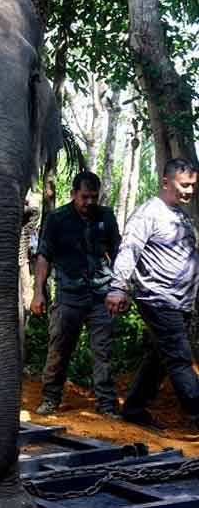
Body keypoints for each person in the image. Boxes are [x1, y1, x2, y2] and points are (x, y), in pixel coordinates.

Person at [106, 158, 199, 431]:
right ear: (165, 182)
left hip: (181, 300)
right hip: (159, 298)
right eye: (185, 185)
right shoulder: (149, 213)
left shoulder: (180, 214)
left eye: (193, 186)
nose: (190, 191)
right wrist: (117, 287)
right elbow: (130, 249)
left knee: (161, 357)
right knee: (179, 358)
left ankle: (134, 408)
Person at [32, 171, 122, 417]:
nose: (89, 202)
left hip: (101, 296)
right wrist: (38, 292)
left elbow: (118, 253)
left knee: (103, 352)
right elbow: (44, 256)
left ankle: (106, 405)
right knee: (58, 350)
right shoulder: (57, 219)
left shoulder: (106, 217)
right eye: (84, 197)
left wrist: (121, 289)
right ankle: (50, 399)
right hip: (68, 296)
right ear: (73, 194)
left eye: (94, 197)